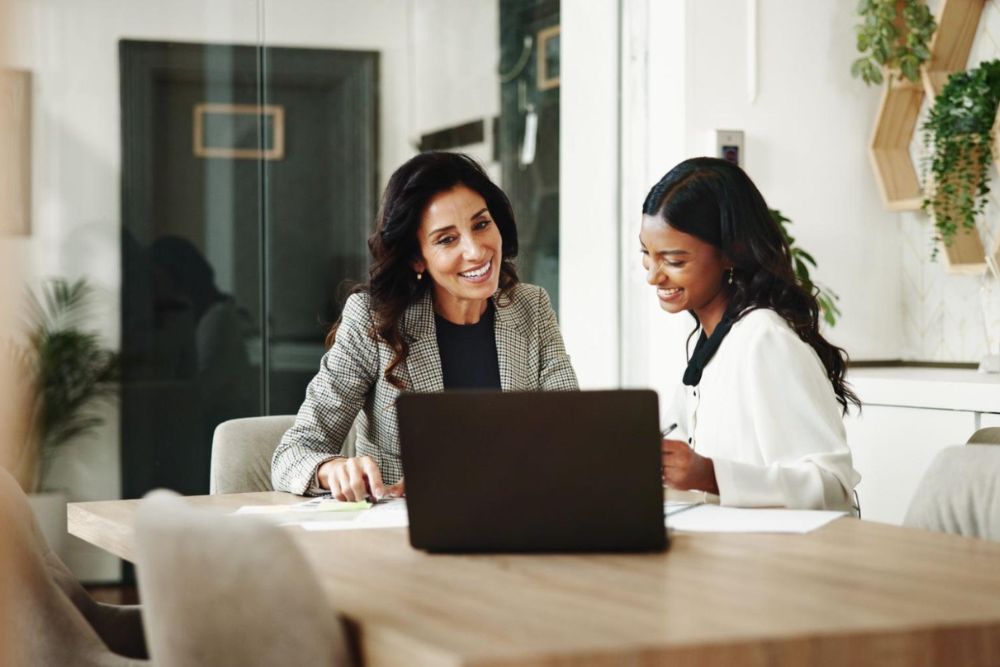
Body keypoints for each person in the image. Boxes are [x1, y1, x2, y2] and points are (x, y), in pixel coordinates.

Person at [271, 152, 578, 499]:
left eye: (481, 225)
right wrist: (333, 470)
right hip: (404, 538)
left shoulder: (531, 307)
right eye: (447, 239)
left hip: (513, 524)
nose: (476, 251)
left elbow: (570, 436)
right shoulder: (373, 321)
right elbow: (292, 453)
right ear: (417, 257)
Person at [640, 157, 860, 511]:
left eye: (675, 261)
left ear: (729, 254)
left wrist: (709, 474)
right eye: (647, 255)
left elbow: (832, 487)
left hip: (780, 559)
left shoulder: (765, 340)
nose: (653, 275)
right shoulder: (708, 343)